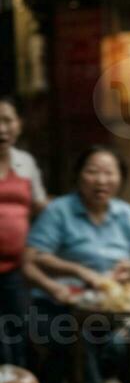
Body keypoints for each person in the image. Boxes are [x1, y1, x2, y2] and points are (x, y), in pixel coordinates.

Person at [23, 146, 130, 383]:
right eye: (92, 171)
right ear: (78, 176)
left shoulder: (125, 214)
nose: (101, 180)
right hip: (55, 306)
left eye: (109, 173)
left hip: (106, 308)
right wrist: (75, 273)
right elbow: (31, 258)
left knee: (129, 336)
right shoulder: (59, 212)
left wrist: (129, 268)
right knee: (73, 331)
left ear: (120, 178)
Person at [0, 95, 48, 368]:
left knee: (22, 333)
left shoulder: (26, 162)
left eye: (7, 120)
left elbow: (40, 206)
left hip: (19, 268)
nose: (1, 129)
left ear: (19, 124)